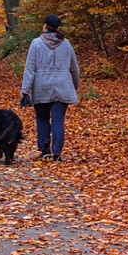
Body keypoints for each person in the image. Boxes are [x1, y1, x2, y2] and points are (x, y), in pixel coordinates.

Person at [20, 14, 80, 162]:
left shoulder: (36, 43)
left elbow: (30, 68)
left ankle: (45, 149)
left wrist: (25, 90)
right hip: (62, 85)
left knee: (42, 118)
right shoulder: (66, 43)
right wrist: (75, 85)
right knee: (58, 120)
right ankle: (57, 153)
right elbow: (74, 68)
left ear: (45, 25)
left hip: (42, 86)